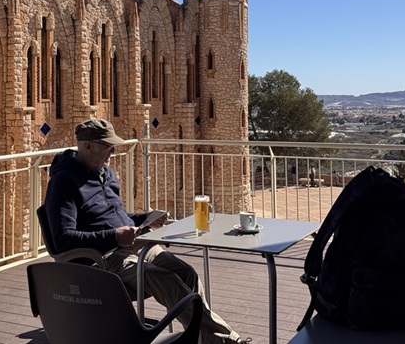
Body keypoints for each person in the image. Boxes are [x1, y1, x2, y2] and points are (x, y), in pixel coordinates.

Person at [44, 119, 250, 344]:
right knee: (167, 281)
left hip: (134, 246)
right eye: (107, 146)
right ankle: (225, 340)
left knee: (186, 273)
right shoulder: (64, 182)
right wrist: (115, 236)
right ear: (87, 146)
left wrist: (145, 218)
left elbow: (114, 216)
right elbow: (62, 239)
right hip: (104, 258)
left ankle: (201, 337)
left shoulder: (106, 173)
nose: (113, 151)